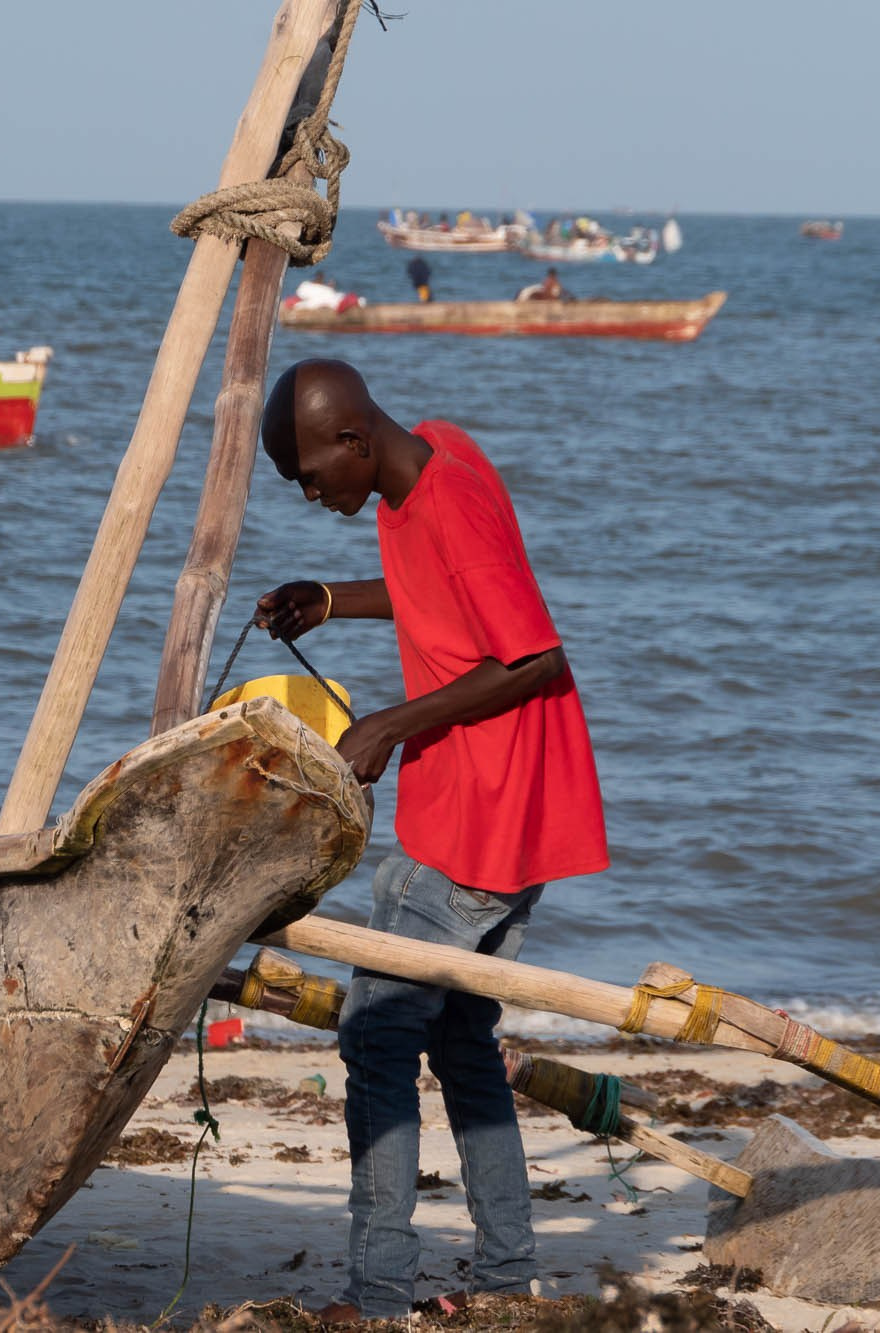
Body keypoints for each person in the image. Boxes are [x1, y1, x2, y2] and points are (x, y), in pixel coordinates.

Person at [253, 360, 608, 1322]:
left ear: (354, 443)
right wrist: (330, 597)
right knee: (459, 1043)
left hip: (470, 829)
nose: (314, 495)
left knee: (375, 1040)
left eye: (315, 477)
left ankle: (375, 1298)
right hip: (514, 821)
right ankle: (503, 1279)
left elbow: (535, 658)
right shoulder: (438, 451)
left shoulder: (445, 502)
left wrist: (389, 725)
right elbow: (441, 594)